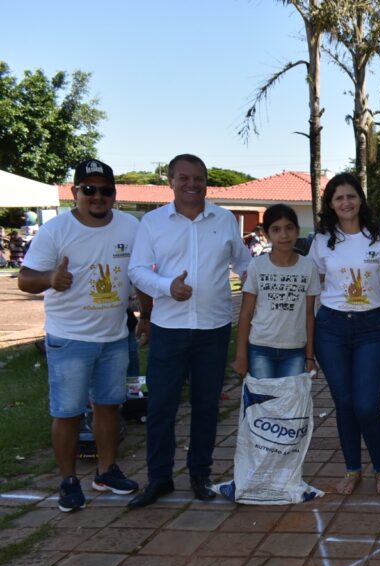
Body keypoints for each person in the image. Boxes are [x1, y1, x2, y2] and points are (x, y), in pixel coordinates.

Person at [19, 159, 148, 511]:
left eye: (106, 190)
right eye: (89, 189)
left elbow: (140, 275)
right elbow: (25, 279)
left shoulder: (129, 226)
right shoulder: (56, 231)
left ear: (114, 194)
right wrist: (50, 280)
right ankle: (68, 481)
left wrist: (146, 317)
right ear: (75, 192)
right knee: (69, 412)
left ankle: (106, 472)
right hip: (70, 338)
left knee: (109, 407)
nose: (97, 196)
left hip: (114, 335)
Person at [126, 154, 251, 508]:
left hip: (213, 329)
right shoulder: (152, 223)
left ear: (206, 182)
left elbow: (244, 264)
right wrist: (167, 286)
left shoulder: (225, 220)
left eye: (199, 178)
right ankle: (160, 479)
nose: (192, 184)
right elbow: (137, 271)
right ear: (171, 181)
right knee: (162, 405)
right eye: (184, 178)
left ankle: (200, 474)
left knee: (206, 406)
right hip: (169, 329)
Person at [311, 173, 380, 496]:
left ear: (360, 199)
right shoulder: (321, 241)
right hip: (330, 328)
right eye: (338, 198)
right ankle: (352, 470)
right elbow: (308, 285)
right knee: (344, 402)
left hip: (371, 329)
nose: (345, 203)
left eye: (350, 196)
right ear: (330, 205)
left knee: (367, 405)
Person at [232, 204, 320, 380]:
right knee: (264, 402)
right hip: (260, 348)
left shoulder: (308, 267)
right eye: (276, 229)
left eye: (289, 228)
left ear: (297, 231)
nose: (284, 235)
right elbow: (246, 313)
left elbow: (310, 315)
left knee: (289, 403)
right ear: (266, 234)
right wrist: (241, 355)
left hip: (295, 350)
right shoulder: (257, 265)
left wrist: (309, 356)